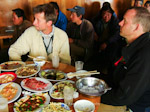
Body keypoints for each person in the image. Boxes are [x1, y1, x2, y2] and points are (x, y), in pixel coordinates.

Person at [97, 7, 150, 112]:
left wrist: (92, 95)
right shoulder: (128, 45)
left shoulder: (145, 54)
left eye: (124, 21)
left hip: (131, 106)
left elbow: (124, 96)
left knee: (83, 105)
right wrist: (91, 77)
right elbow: (114, 76)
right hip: (116, 92)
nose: (120, 23)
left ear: (137, 27)